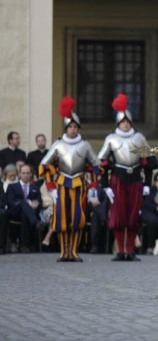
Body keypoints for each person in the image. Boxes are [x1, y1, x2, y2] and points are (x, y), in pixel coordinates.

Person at [39, 97, 102, 262]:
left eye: (75, 126)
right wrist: (51, 187)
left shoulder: (85, 145)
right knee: (61, 218)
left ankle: (73, 251)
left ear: (78, 128)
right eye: (70, 126)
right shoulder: (58, 145)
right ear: (66, 127)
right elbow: (44, 165)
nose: (73, 129)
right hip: (61, 185)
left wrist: (93, 186)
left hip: (79, 185)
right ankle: (63, 252)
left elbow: (97, 166)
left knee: (77, 219)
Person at [98, 94, 157, 261]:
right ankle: (120, 250)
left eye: (127, 121)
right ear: (118, 123)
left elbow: (148, 162)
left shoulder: (138, 138)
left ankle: (130, 250)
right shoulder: (111, 139)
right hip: (117, 179)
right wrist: (105, 186)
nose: (125, 124)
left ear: (130, 122)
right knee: (118, 216)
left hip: (136, 180)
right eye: (122, 122)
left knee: (133, 216)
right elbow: (102, 163)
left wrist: (147, 183)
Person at [5, 164, 42, 253]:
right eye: (23, 173)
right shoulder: (12, 187)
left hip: (27, 214)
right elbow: (10, 202)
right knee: (23, 202)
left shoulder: (35, 188)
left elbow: (39, 202)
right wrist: (27, 203)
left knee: (25, 213)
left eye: (28, 173)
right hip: (14, 212)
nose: (25, 175)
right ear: (20, 174)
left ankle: (24, 246)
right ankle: (36, 222)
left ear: (31, 174)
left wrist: (36, 204)